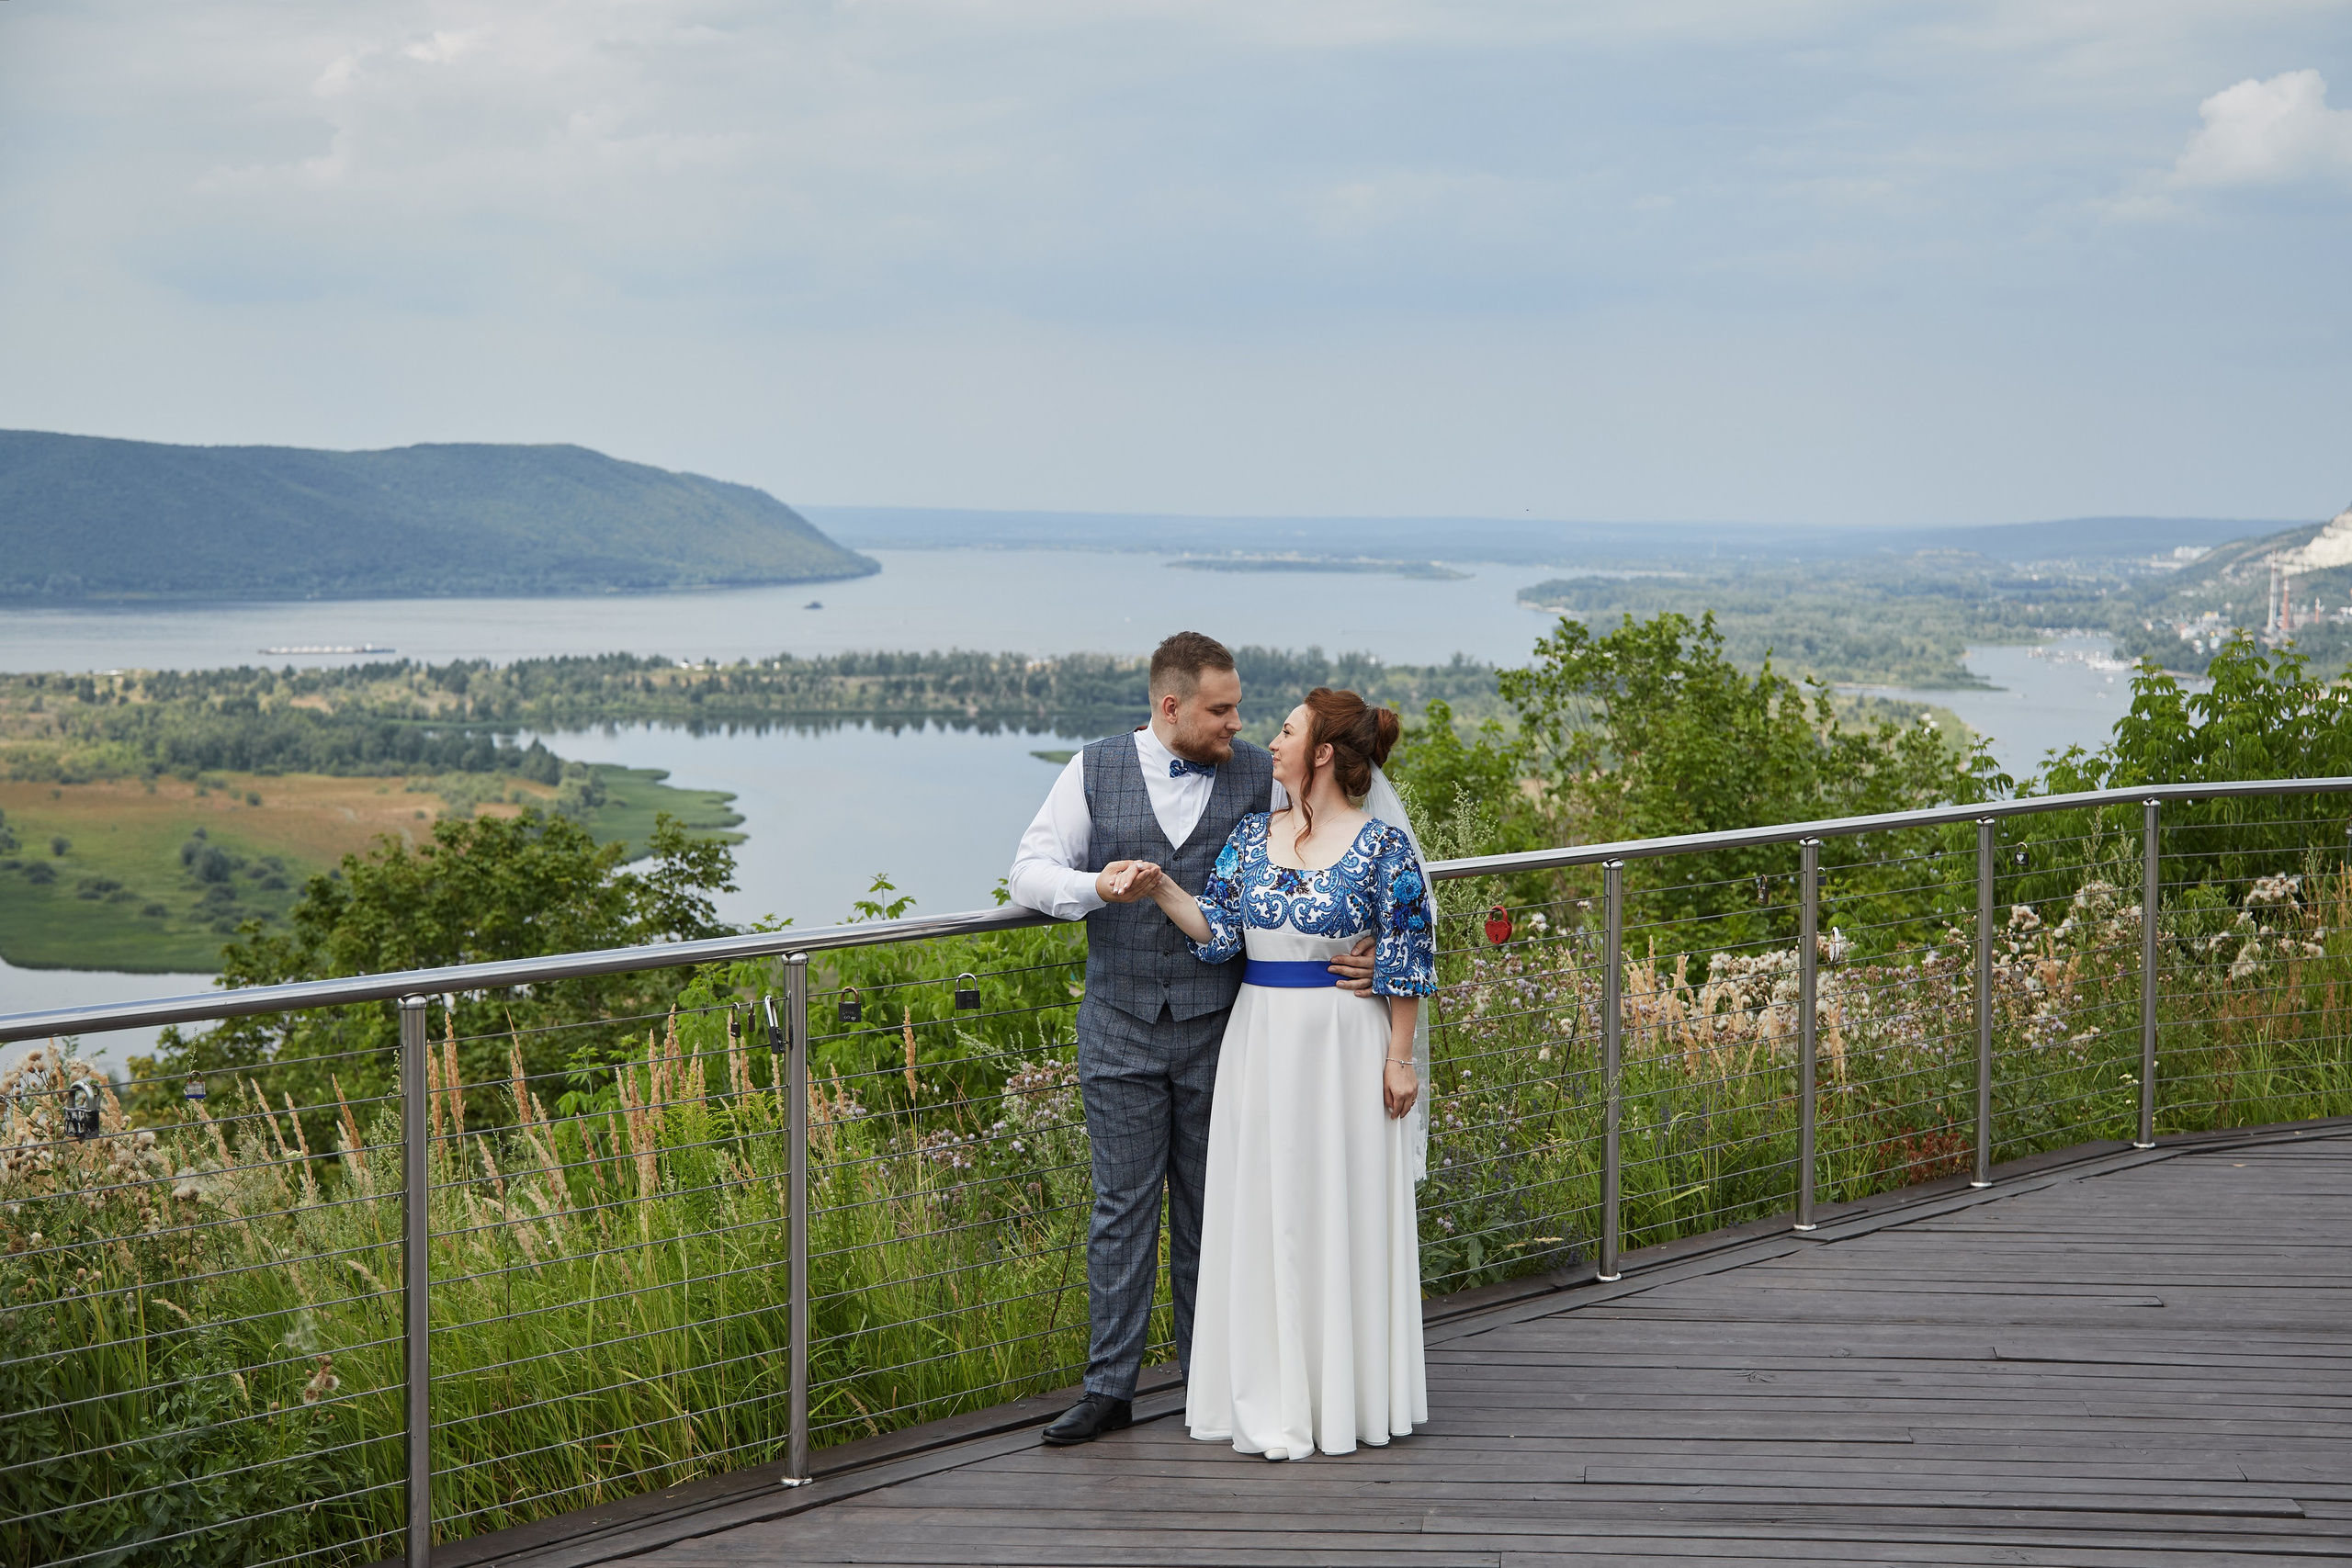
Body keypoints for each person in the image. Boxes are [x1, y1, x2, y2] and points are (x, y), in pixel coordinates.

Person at [1008, 633, 1376, 1446]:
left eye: (1239, 708)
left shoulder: (1260, 775)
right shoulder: (1092, 768)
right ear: (1170, 705)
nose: (1237, 723)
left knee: (1220, 1211)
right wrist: (1094, 886)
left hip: (1229, 1029)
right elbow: (1027, 871)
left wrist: (1377, 941)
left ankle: (1210, 1382)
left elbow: (1334, 852)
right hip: (1119, 1027)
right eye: (1221, 709)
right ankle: (1109, 1389)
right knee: (1121, 1210)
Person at [1136, 686, 1435, 1460]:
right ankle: (1267, 1391)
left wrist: (1400, 1059)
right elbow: (1218, 934)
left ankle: (1345, 1397)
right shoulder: (1249, 837)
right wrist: (1162, 886)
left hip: (1345, 1048)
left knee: (1337, 1206)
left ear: (1323, 752)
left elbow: (1409, 955)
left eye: (1287, 729)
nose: (1270, 740)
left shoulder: (1382, 848)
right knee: (1267, 1209)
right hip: (1260, 1044)